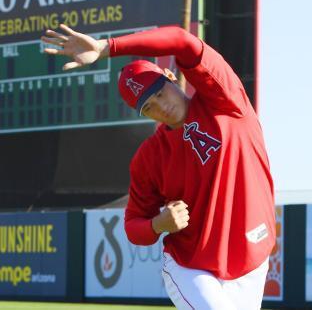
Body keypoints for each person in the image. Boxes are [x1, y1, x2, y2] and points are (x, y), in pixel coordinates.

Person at [42, 24, 276, 310]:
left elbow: (181, 40)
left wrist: (108, 48)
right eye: (149, 107)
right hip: (191, 267)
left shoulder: (225, 102)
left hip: (250, 258)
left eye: (160, 93)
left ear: (169, 77)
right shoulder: (150, 157)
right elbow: (133, 227)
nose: (161, 107)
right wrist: (158, 224)